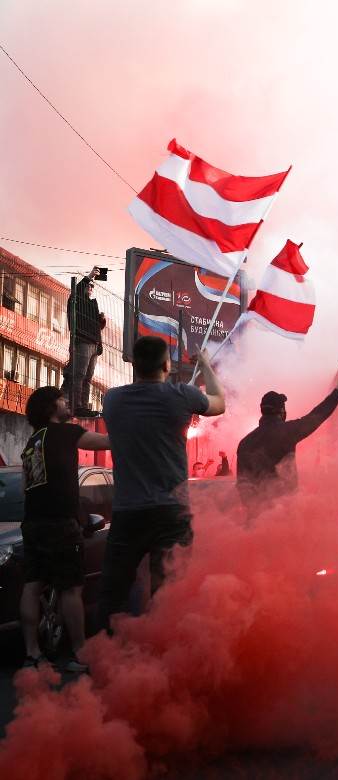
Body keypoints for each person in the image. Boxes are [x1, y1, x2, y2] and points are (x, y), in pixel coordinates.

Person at [97, 337, 225, 632]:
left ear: (135, 364)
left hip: (128, 511)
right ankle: (163, 660)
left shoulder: (112, 400)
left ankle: (104, 659)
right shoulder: (181, 395)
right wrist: (205, 364)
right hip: (171, 512)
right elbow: (219, 404)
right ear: (167, 365)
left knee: (112, 592)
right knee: (169, 592)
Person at [19, 386, 110, 672]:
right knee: (71, 589)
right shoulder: (67, 433)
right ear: (51, 408)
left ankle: (32, 654)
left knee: (32, 587)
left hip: (32, 524)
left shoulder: (31, 443)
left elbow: (26, 487)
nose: (66, 401)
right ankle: (80, 653)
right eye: (60, 399)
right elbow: (107, 443)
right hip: (61, 523)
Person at [236, 375, 338, 515]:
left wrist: (255, 512)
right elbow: (318, 415)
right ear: (281, 411)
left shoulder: (245, 443)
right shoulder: (287, 432)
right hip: (286, 514)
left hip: (257, 519)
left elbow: (243, 486)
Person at [60, 266, 106, 416]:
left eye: (92, 286)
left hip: (94, 343)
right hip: (83, 341)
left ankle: (83, 406)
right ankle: (77, 405)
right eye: (89, 285)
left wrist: (101, 321)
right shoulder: (75, 300)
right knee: (79, 375)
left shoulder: (91, 304)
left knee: (87, 377)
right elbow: (78, 289)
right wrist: (90, 276)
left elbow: (96, 327)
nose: (91, 288)